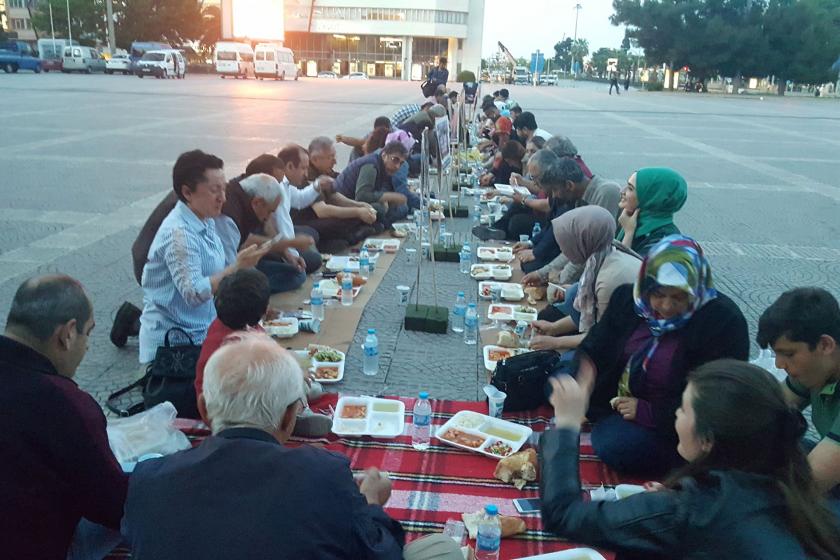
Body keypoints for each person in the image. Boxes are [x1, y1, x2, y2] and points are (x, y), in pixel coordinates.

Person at [122, 332, 462, 560]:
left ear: (203, 408)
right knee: (446, 550)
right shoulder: (323, 473)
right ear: (289, 418)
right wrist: (372, 503)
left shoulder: (148, 481)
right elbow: (382, 553)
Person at [540, 359, 840, 559]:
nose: (676, 415)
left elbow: (565, 515)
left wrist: (567, 423)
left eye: (683, 410)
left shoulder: (694, 508)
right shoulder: (793, 477)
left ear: (708, 440)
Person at [577, 235, 749, 475]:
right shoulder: (628, 300)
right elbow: (595, 346)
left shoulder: (722, 322)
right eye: (657, 294)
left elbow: (718, 398)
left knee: (615, 444)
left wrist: (649, 412)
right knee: (559, 377)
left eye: (679, 297)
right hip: (616, 398)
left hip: (674, 423)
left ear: (696, 290)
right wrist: (583, 386)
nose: (666, 307)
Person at [0, 275, 127, 559]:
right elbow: (114, 504)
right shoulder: (65, 403)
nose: (88, 347)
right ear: (68, 334)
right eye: (89, 333)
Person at [138, 150, 268, 365]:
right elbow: (194, 293)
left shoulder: (205, 218)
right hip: (177, 346)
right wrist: (237, 266)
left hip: (202, 329)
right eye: (214, 191)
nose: (223, 198)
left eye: (224, 189)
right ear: (187, 193)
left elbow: (219, 271)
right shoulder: (179, 234)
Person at [194, 269, 331, 437]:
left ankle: (299, 396)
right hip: (240, 412)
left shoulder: (223, 324)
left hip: (218, 406)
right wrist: (295, 374)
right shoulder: (242, 346)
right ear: (265, 310)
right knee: (287, 376)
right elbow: (270, 371)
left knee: (290, 367)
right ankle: (299, 413)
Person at [757, 287, 840, 497]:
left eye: (788, 354)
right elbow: (763, 414)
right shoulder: (817, 369)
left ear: (825, 345)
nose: (779, 364)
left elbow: (808, 486)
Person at [529, 207, 641, 354]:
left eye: (565, 243)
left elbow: (603, 336)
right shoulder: (602, 255)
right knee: (572, 294)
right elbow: (591, 314)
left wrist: (555, 342)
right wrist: (553, 328)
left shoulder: (608, 278)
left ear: (582, 241)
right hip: (615, 332)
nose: (563, 250)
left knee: (564, 368)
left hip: (628, 348)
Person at [516, 157, 621, 274]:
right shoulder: (576, 199)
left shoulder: (606, 192)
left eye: (555, 190)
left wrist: (560, 277)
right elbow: (573, 249)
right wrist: (542, 274)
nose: (554, 196)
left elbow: (592, 251)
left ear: (569, 185)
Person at [283, 143, 377, 253]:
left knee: (369, 212)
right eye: (330, 157)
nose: (335, 161)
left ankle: (348, 237)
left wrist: (360, 205)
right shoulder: (302, 179)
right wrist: (357, 212)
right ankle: (342, 239)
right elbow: (322, 210)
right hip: (306, 222)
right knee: (335, 223)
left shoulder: (322, 174)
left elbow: (334, 196)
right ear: (315, 159)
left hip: (317, 218)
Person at [334, 141, 410, 227]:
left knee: (401, 207)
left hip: (357, 201)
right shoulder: (371, 166)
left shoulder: (383, 166)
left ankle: (379, 226)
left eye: (401, 163)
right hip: (344, 204)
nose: (397, 166)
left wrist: (386, 199)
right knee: (380, 209)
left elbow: (381, 188)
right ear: (384, 155)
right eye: (395, 160)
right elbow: (361, 196)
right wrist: (389, 196)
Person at [617, 167, 688, 256]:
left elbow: (625, 267)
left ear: (652, 198)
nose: (622, 191)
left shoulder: (660, 241)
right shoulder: (632, 221)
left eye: (630, 188)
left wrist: (628, 234)